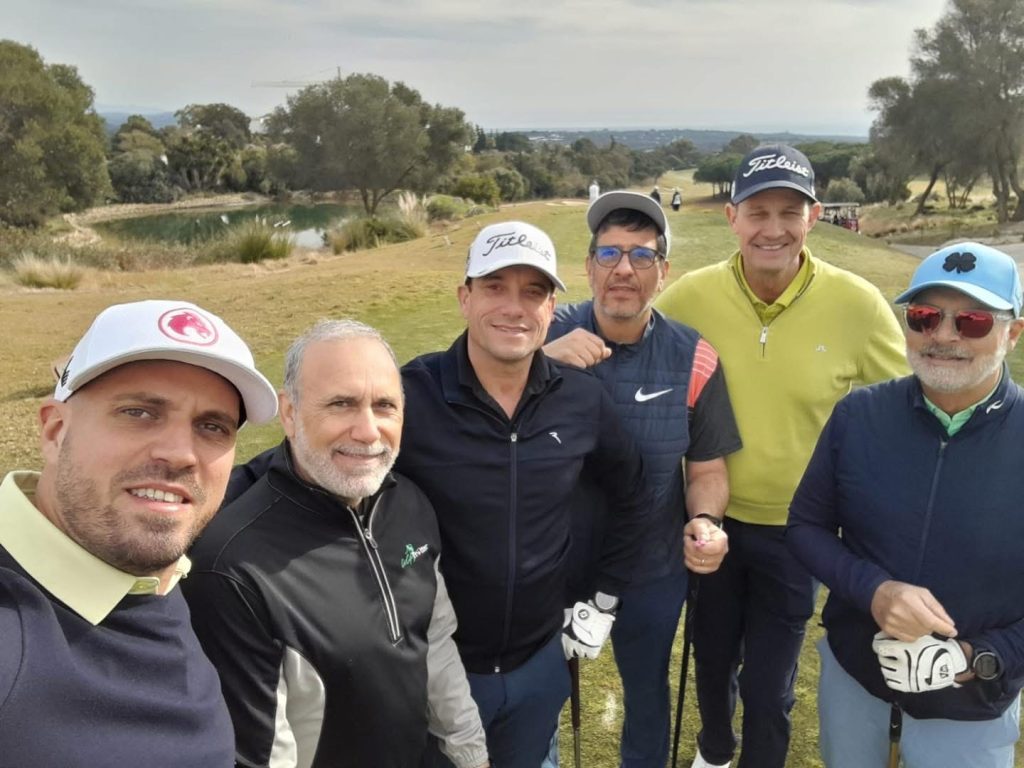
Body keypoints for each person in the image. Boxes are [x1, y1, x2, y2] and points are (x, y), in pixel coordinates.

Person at [654, 144, 909, 768]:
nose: (773, 229)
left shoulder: (857, 305)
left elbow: (903, 408)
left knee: (770, 688)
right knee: (712, 660)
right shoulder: (690, 297)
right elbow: (629, 340)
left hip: (801, 532)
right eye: (758, 212)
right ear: (732, 218)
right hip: (709, 520)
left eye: (789, 212)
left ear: (813, 216)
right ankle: (715, 750)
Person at [396, 220, 652, 768]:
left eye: (533, 292)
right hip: (438, 667)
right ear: (465, 297)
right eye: (495, 287)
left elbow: (633, 492)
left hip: (541, 662)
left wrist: (605, 597)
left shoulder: (581, 399)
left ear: (551, 308)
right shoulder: (410, 397)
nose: (514, 307)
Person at [183, 320, 489, 768]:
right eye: (341, 404)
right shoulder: (231, 568)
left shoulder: (410, 504)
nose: (368, 431)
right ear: (289, 413)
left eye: (384, 406)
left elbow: (435, 640)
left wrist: (471, 754)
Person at [0, 299, 278, 767]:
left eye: (212, 426)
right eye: (139, 413)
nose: (180, 453)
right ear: (55, 431)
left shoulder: (151, 572)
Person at [788, 242, 1024, 768]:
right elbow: (805, 526)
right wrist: (875, 591)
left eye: (973, 321)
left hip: (972, 707)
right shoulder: (858, 414)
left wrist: (978, 657)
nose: (943, 335)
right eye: (924, 317)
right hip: (855, 683)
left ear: (1013, 333)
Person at [543, 190, 741, 768]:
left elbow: (707, 467)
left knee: (648, 695)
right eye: (609, 253)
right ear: (589, 267)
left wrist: (706, 520)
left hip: (652, 571)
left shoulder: (694, 356)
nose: (624, 269)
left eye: (642, 255)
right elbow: (476, 395)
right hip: (552, 566)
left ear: (663, 272)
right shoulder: (544, 334)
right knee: (541, 695)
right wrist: (540, 361)